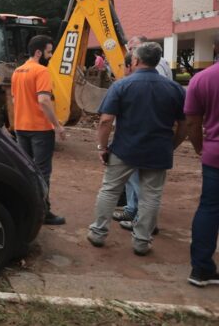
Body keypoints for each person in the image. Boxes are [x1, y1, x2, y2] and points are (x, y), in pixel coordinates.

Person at [87, 42, 187, 255]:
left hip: (125, 149)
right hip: (158, 151)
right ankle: (141, 242)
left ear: (135, 61)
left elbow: (106, 121)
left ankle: (98, 233)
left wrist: (101, 147)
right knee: (151, 196)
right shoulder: (174, 88)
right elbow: (184, 124)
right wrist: (171, 145)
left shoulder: (121, 86)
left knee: (110, 190)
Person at [113, 36, 173, 233]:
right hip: (144, 130)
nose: (130, 51)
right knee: (132, 178)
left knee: (142, 181)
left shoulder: (157, 69)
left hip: (145, 131)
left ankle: (144, 221)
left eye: (133, 47)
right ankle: (131, 210)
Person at [11, 35, 66, 225]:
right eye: (49, 52)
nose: (50, 56)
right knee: (42, 173)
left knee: (26, 169)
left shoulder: (17, 71)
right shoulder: (41, 71)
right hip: (40, 130)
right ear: (38, 52)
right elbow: (43, 100)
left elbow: (14, 100)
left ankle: (24, 208)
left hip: (20, 128)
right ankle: (43, 212)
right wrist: (57, 126)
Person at [184, 60, 219, 286]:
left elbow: (192, 123)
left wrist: (199, 148)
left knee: (209, 208)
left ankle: (201, 268)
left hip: (214, 155)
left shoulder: (202, 78)